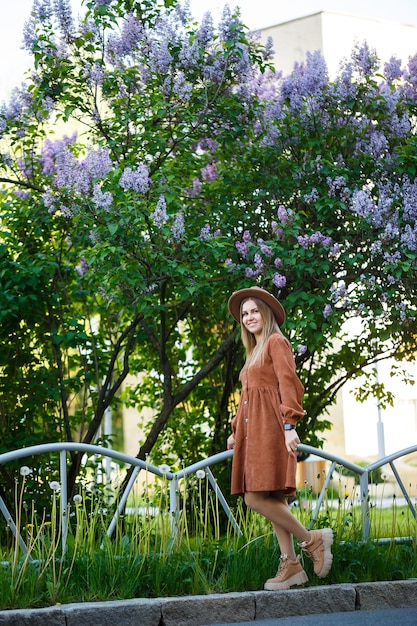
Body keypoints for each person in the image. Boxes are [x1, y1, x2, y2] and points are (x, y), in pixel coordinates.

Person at [227, 285, 333, 590]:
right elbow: (247, 398)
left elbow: (290, 385)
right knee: (270, 496)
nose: (248, 317)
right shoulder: (253, 350)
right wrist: (236, 431)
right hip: (253, 433)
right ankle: (292, 565)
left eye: (254, 311)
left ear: (266, 313)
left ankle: (311, 540)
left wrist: (290, 426)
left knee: (254, 497)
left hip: (272, 431)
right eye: (244, 313)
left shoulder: (276, 342)